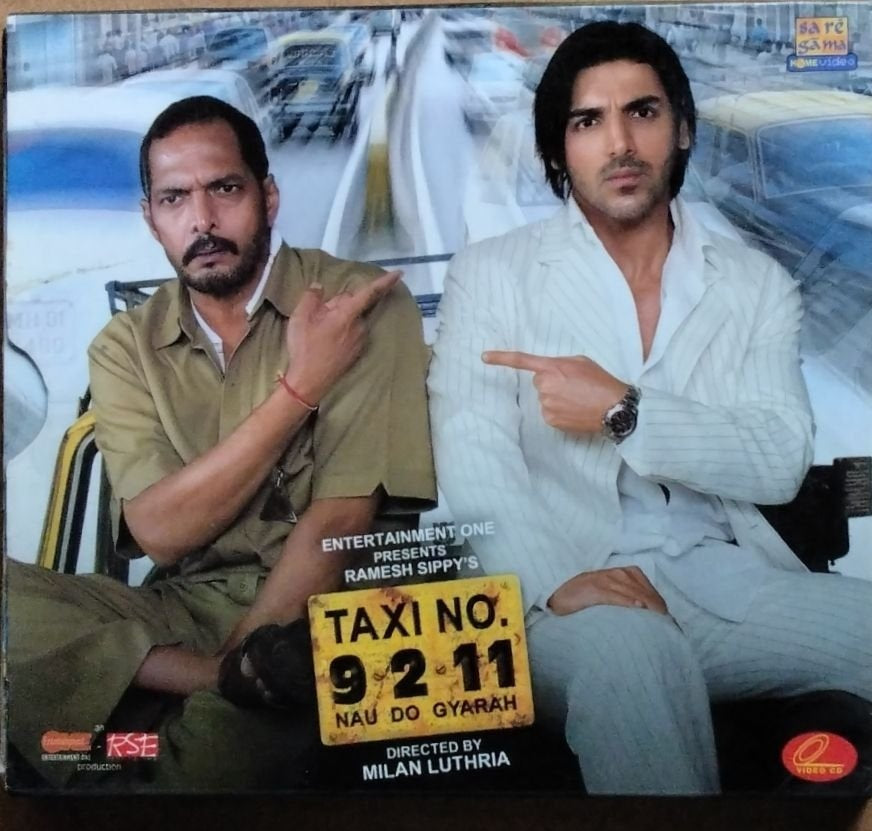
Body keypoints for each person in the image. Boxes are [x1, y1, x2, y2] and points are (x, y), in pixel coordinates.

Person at [427, 21, 872, 795]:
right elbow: (472, 446)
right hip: (556, 596)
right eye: (588, 121)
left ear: (683, 128)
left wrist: (624, 410)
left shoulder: (754, 283)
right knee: (636, 657)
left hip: (723, 582)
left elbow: (777, 457)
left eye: (643, 112)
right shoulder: (492, 274)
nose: (620, 143)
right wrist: (551, 581)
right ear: (559, 149)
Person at [6, 95, 436, 791]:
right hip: (182, 609)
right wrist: (301, 388)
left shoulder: (358, 304)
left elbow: (339, 526)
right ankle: (176, 699)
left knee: (193, 771)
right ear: (151, 219)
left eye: (225, 189)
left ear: (268, 196)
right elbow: (161, 533)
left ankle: (128, 731)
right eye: (174, 199)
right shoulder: (125, 345)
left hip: (326, 613)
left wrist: (251, 661)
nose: (201, 220)